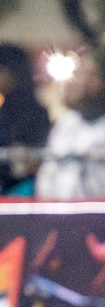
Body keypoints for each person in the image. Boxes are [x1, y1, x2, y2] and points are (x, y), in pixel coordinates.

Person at [0, 43, 50, 194]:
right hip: (2, 189)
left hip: (28, 190)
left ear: (14, 72)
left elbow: (25, 166)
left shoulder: (34, 113)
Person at [36, 49, 105, 199]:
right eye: (80, 74)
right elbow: (48, 171)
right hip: (61, 215)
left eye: (92, 75)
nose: (83, 81)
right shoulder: (66, 122)